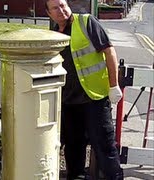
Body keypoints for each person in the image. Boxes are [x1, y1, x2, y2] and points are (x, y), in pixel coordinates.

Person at [44, 0, 124, 179]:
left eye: (63, 5)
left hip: (94, 99)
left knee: (104, 147)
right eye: (55, 8)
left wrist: (114, 85)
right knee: (73, 148)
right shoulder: (53, 35)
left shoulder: (86, 22)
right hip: (68, 102)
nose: (61, 10)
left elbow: (109, 51)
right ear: (49, 14)